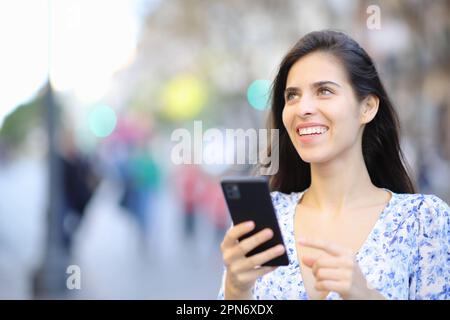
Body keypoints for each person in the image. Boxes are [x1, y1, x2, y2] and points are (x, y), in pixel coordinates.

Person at [218, 30, 449, 300]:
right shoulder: (267, 220)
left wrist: (365, 295)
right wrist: (237, 288)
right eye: (292, 95)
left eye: (324, 91)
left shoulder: (423, 221)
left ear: (368, 107)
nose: (302, 108)